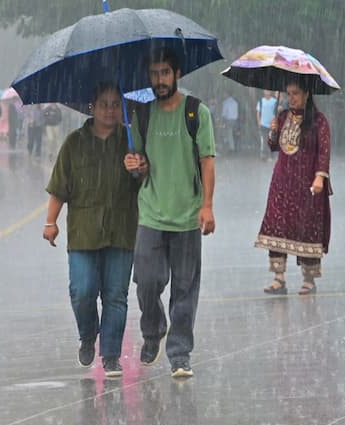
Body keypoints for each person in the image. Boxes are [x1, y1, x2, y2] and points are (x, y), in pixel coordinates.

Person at [124, 47, 216, 378]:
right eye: (154, 73)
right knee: (146, 281)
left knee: (185, 289)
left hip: (188, 215)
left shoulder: (196, 112)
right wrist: (135, 165)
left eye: (165, 73)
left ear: (177, 74)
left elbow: (207, 160)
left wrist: (206, 205)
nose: (160, 80)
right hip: (150, 214)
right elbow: (138, 166)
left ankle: (180, 352)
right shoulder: (142, 115)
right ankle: (153, 330)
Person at [43, 82, 139, 378]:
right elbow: (59, 188)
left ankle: (110, 355)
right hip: (83, 233)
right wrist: (51, 222)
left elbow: (145, 184)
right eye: (104, 104)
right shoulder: (74, 143)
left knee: (116, 295)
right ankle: (88, 334)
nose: (110, 110)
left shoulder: (132, 141)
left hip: (121, 230)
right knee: (82, 291)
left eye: (115, 104)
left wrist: (139, 168)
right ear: (92, 107)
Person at [256, 78, 332, 296]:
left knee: (307, 228)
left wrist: (320, 177)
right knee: (277, 225)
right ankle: (278, 278)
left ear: (307, 94)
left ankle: (308, 279)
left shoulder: (319, 121)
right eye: (288, 94)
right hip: (282, 181)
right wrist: (272, 131)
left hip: (307, 183)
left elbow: (324, 152)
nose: (291, 98)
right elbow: (273, 147)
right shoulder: (281, 117)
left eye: (296, 94)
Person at [256, 90, 279, 161]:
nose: (267, 92)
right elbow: (258, 112)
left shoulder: (274, 101)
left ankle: (271, 155)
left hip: (272, 124)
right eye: (266, 90)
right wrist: (259, 122)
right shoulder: (261, 101)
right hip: (263, 124)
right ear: (263, 92)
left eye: (268, 91)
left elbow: (277, 112)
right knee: (265, 140)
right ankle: (265, 155)